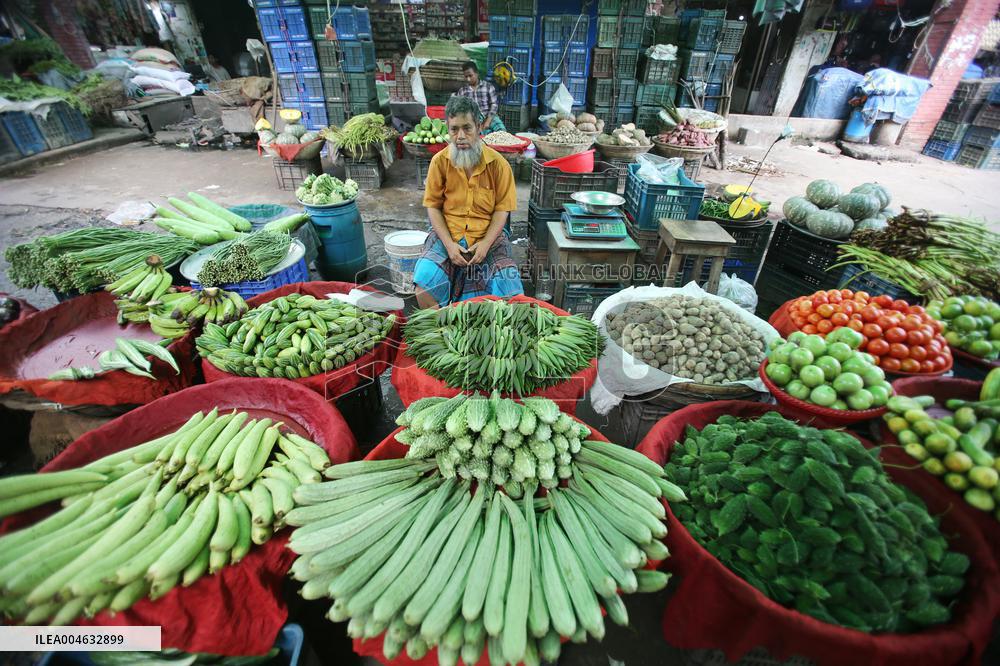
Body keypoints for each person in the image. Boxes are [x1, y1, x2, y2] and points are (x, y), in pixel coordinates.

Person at [412, 95, 523, 309]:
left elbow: (502, 211)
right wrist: (449, 246)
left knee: (511, 292)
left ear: (479, 127)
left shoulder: (499, 165)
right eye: (454, 129)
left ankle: (487, 331)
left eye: (467, 128)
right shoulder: (439, 162)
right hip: (448, 233)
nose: (460, 136)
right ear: (447, 128)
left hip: (487, 235)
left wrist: (485, 244)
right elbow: (433, 207)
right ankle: (445, 331)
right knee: (424, 283)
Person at [456, 61, 505, 134]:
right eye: (466, 77)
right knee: (480, 137)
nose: (468, 79)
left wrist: (487, 121)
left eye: (470, 75)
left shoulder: (488, 87)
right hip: (473, 120)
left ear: (477, 73)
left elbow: (494, 104)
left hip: (489, 117)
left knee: (502, 132)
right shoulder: (462, 91)